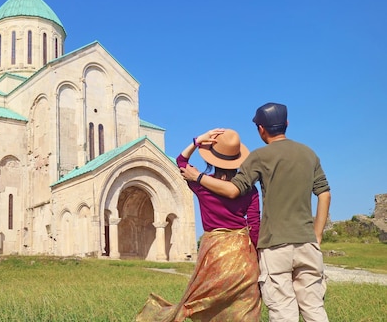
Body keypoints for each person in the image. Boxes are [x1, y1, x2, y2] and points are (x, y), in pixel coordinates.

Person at [181, 103, 332, 322]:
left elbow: (233, 190)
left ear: (261, 129)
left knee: (282, 311)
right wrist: (317, 235)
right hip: (307, 243)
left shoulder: (259, 157)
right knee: (314, 307)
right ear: (286, 124)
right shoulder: (309, 154)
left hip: (275, 245)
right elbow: (324, 194)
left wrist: (199, 177)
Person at [136, 128, 261, 322]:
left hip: (214, 254)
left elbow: (181, 162)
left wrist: (197, 141)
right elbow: (254, 224)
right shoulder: (250, 189)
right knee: (245, 309)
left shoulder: (201, 183)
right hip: (243, 255)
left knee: (207, 303)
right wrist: (257, 257)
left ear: (212, 159)